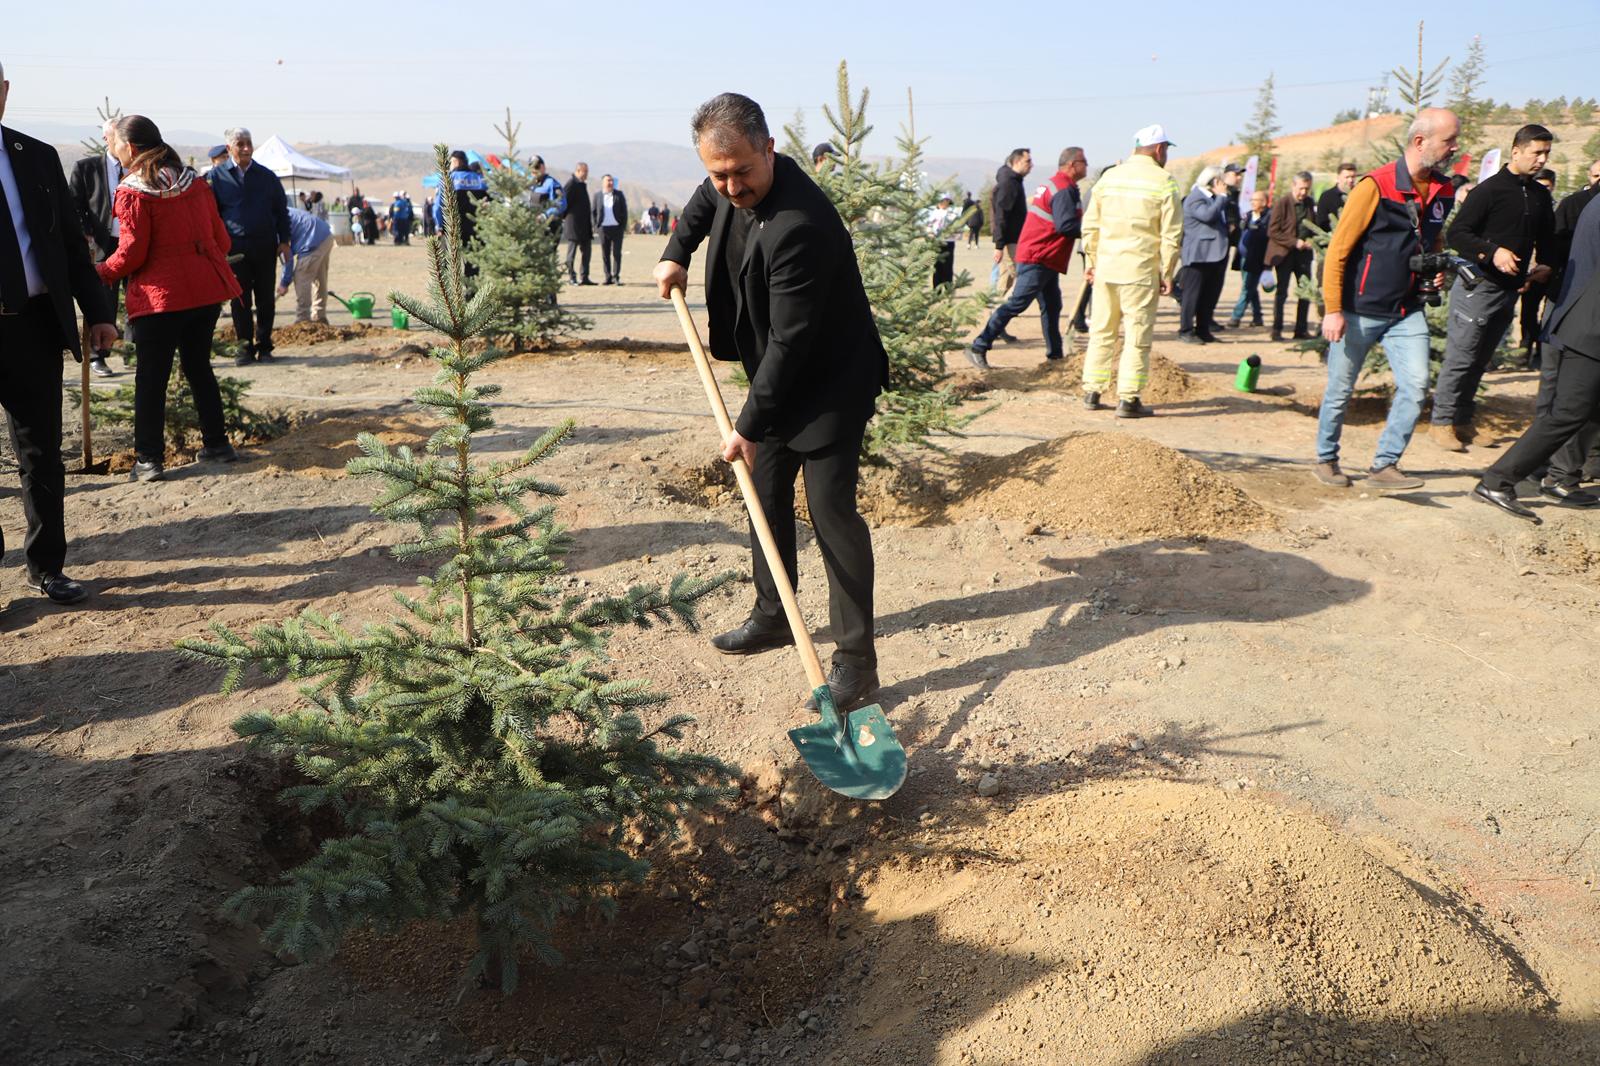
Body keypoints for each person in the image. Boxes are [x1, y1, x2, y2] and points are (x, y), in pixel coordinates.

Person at [652, 92, 888, 710]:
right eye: (718, 172)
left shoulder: (800, 226)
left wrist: (747, 426)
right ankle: (774, 614)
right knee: (764, 490)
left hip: (830, 381)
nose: (730, 186)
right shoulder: (727, 182)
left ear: (770, 150)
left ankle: (856, 663)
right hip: (777, 372)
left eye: (742, 171)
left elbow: (792, 341)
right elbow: (703, 204)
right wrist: (677, 251)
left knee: (830, 511)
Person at [0, 61, 119, 605]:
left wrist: (98, 312)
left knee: (41, 452)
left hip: (34, 327)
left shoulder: (37, 157)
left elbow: (71, 248)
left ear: (4, 92)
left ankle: (47, 565)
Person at [1312, 108, 1460, 492]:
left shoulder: (1444, 189)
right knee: (1340, 389)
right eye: (1448, 141)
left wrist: (1436, 269)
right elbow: (1339, 249)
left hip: (1406, 312)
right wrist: (1332, 310)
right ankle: (1326, 459)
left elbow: (1435, 237)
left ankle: (1385, 465)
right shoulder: (1374, 186)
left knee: (1415, 384)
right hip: (1358, 311)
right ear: (1420, 141)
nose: (1454, 148)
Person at [95, 115, 241, 484]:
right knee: (199, 368)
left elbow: (132, 255)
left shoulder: (134, 190)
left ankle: (148, 460)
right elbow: (222, 242)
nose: (111, 151)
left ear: (130, 147)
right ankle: (218, 444)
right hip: (206, 293)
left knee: (151, 379)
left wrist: (98, 273)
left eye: (113, 144)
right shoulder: (196, 183)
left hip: (159, 299)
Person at [1429, 124, 1556, 451]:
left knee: (1481, 359)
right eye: (1536, 152)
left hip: (1509, 290)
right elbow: (1458, 235)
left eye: (1546, 154)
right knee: (1461, 356)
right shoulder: (1489, 190)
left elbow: (1546, 241)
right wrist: (1492, 252)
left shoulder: (1541, 195)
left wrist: (1545, 265)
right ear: (1516, 151)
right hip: (1478, 288)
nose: (1541, 159)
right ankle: (1441, 422)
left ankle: (1463, 420)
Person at [1473, 193, 1600, 519]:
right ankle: (1497, 480)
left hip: (1585, 321)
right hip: (1591, 329)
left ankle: (1561, 479)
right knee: (1568, 413)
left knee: (1588, 411)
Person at [1079, 125, 1182, 418]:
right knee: (1136, 336)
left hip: (1106, 270)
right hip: (1139, 271)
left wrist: (1091, 263)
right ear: (1160, 149)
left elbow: (1090, 226)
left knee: (1101, 331)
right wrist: (1168, 271)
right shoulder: (1165, 182)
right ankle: (1128, 398)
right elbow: (1171, 235)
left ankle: (1092, 391)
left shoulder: (1109, 178)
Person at [967, 147, 1086, 368]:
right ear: (1072, 165)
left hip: (1045, 255)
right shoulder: (1061, 188)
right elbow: (1065, 225)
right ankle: (979, 346)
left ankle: (1055, 356)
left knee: (1052, 305)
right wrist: (1092, 227)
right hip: (1038, 255)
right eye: (1084, 162)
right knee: (1017, 302)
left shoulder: (1059, 185)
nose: (1087, 165)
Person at [207, 126, 290, 366]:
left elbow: (281, 212)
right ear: (229, 148)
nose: (246, 148)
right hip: (234, 250)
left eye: (249, 143)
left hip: (265, 246)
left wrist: (284, 241)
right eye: (240, 143)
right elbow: (211, 215)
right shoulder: (217, 177)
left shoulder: (266, 177)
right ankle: (244, 348)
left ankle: (265, 347)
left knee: (266, 298)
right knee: (240, 300)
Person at [68, 118, 125, 378]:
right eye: (117, 135)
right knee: (104, 302)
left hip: (134, 243)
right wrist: (86, 232)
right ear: (106, 139)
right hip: (103, 245)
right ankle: (98, 356)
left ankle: (136, 350)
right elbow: (74, 206)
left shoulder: (136, 167)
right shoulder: (86, 168)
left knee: (141, 297)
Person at [1177, 166, 1230, 344]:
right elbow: (1208, 216)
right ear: (1214, 182)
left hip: (1214, 255)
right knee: (1191, 295)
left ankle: (1203, 329)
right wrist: (1222, 197)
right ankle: (1186, 330)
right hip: (1198, 256)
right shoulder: (1195, 198)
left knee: (1209, 296)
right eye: (1221, 182)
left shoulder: (1213, 199)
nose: (1224, 186)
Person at [1266, 170, 1317, 342]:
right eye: (1301, 188)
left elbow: (1314, 226)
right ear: (1293, 186)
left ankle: (1301, 329)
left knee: (1305, 292)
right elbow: (1273, 231)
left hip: (1304, 256)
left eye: (1307, 189)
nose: (1303, 193)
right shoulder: (1282, 203)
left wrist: (1311, 240)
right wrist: (1294, 242)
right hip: (1284, 254)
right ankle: (1277, 329)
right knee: (1282, 293)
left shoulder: (1310, 203)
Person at [276, 204, 333, 323]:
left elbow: (287, 256)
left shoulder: (270, 223)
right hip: (325, 235)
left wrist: (284, 283)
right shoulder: (279, 210)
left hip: (311, 239)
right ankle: (320, 316)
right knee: (319, 278)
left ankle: (303, 319)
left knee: (301, 277)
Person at [433, 150, 488, 269]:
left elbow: (438, 205)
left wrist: (440, 225)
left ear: (456, 162)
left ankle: (451, 286)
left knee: (450, 262)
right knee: (473, 262)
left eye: (451, 162)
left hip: (453, 226)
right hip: (475, 227)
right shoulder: (479, 179)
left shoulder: (449, 180)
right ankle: (472, 286)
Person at [991, 147, 1031, 295]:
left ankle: (997, 307)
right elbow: (1001, 214)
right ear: (1017, 162)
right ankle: (1002, 309)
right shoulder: (1009, 183)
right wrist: (999, 245)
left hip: (1015, 238)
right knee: (1021, 275)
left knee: (1006, 275)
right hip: (1010, 240)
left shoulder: (1015, 181)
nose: (1031, 165)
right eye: (1028, 161)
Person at [1229, 189, 1271, 327]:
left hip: (1257, 259)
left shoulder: (1269, 217)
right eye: (1251, 200)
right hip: (1243, 258)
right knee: (1250, 288)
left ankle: (1236, 317)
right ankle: (1257, 317)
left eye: (1256, 200)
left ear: (1264, 202)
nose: (1252, 202)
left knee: (1247, 288)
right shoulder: (1247, 216)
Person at [560, 162, 594, 285]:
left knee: (587, 252)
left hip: (585, 226)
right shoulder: (571, 184)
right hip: (573, 225)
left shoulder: (582, 185)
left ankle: (584, 276)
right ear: (579, 171)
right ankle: (571, 276)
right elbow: (563, 203)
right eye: (585, 172)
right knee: (571, 253)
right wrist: (565, 218)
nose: (587, 175)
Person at [592, 173, 629, 284]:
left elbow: (624, 211)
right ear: (603, 183)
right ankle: (607, 277)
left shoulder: (619, 195)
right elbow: (593, 212)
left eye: (612, 181)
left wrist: (622, 226)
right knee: (605, 254)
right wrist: (595, 226)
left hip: (617, 228)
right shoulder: (597, 196)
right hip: (603, 229)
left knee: (617, 253)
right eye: (608, 181)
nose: (610, 183)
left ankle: (616, 276)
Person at [928, 193, 961, 290]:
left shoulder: (952, 214)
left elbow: (958, 228)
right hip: (937, 242)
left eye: (946, 201)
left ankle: (948, 289)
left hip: (949, 242)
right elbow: (929, 227)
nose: (944, 203)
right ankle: (936, 289)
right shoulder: (934, 213)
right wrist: (931, 235)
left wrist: (953, 233)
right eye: (942, 201)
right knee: (937, 266)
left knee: (948, 266)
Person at [529, 156, 566, 239]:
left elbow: (561, 203)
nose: (534, 170)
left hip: (549, 227)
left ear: (543, 167)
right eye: (531, 167)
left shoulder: (552, 183)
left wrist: (545, 215)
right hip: (534, 226)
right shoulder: (531, 184)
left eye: (537, 167)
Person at [1315, 162, 1359, 232]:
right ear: (1338, 178)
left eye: (1353, 177)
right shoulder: (1327, 196)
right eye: (1347, 177)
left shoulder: (1359, 195)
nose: (1350, 180)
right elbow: (1321, 221)